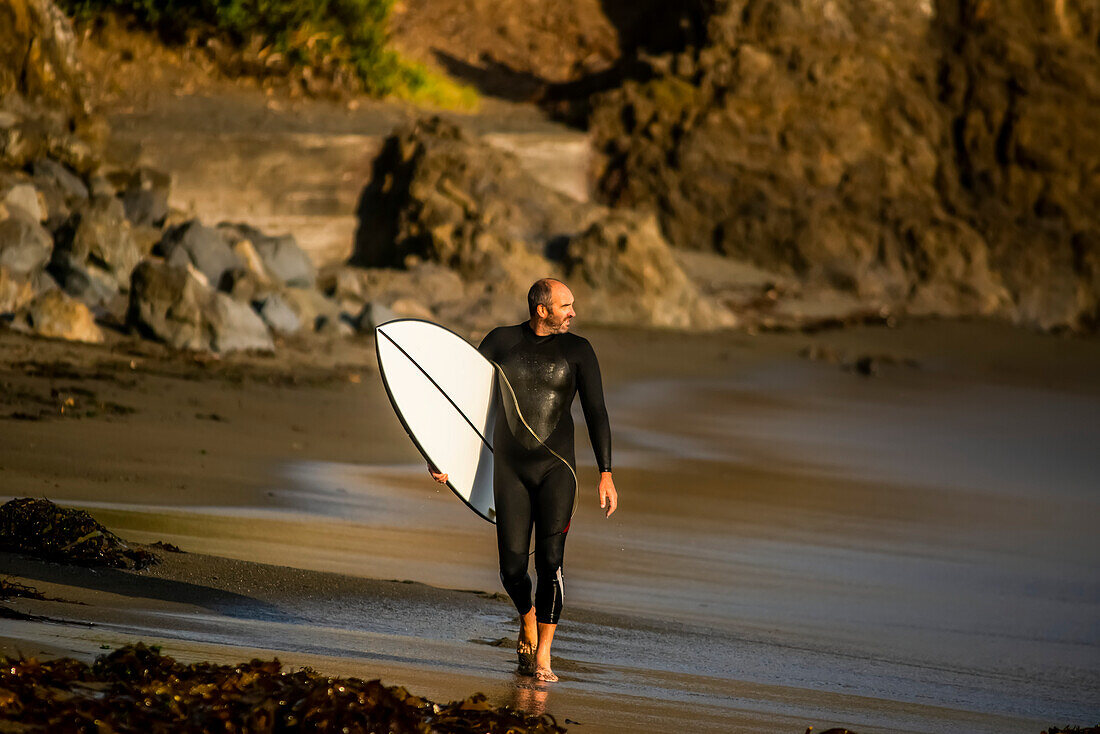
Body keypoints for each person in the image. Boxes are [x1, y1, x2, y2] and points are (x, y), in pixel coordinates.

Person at [429, 278, 617, 682]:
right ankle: (527, 616)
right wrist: (442, 456)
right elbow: (465, 400)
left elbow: (597, 412)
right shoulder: (500, 342)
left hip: (556, 470)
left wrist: (606, 473)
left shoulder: (579, 351)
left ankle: (545, 655)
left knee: (551, 563)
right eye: (565, 305)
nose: (573, 312)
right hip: (510, 469)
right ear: (541, 309)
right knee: (512, 569)